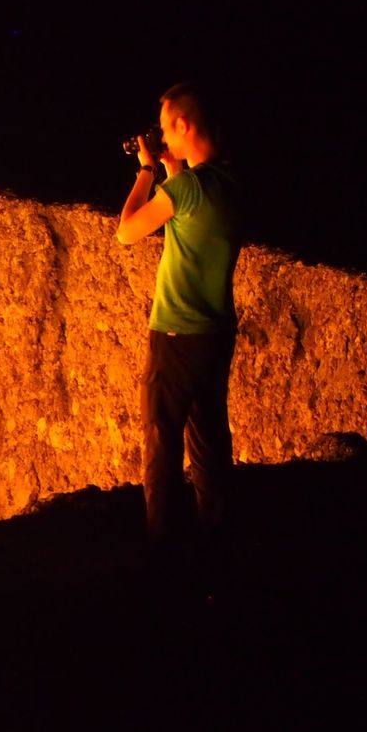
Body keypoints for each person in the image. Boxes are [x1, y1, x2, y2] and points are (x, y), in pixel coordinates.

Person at [116, 82, 241, 549]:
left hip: (176, 330)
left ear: (184, 125)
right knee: (208, 437)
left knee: (161, 436)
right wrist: (172, 168)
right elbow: (192, 210)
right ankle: (216, 534)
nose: (164, 136)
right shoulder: (228, 182)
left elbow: (128, 232)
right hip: (215, 332)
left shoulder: (187, 187)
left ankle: (160, 547)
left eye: (168, 127)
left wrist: (147, 172)